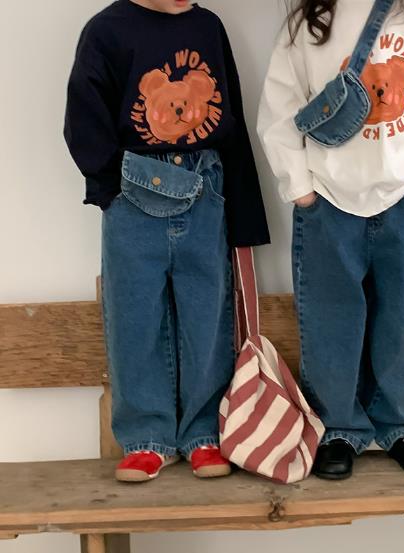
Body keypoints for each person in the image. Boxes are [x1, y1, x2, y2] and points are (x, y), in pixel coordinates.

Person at [258, 0, 404, 480]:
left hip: (402, 197)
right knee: (329, 321)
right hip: (327, 201)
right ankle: (336, 429)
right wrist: (300, 188)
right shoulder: (308, 25)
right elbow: (279, 110)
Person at [64, 0, 270, 482]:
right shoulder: (105, 31)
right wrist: (112, 187)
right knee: (134, 316)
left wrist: (245, 216)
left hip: (206, 187)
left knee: (207, 314)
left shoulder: (208, 27)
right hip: (133, 192)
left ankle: (205, 432)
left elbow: (232, 120)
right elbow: (83, 121)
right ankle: (145, 437)